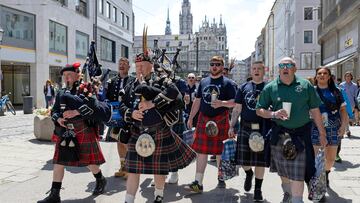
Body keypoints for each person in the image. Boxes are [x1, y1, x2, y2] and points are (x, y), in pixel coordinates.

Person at [120, 52, 196, 203]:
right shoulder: (131, 84)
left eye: (142, 66)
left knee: (159, 169)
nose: (139, 69)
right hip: (137, 132)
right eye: (137, 66)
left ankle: (158, 196)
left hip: (159, 130)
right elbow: (122, 105)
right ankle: (128, 200)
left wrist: (152, 103)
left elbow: (175, 94)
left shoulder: (161, 81)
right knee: (133, 170)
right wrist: (132, 113)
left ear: (150, 65)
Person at [256, 57, 327, 203]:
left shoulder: (305, 85)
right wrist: (274, 114)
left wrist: (322, 133)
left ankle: (296, 199)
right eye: (282, 65)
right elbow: (259, 110)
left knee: (298, 173)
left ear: (295, 68)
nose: (285, 68)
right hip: (279, 134)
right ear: (279, 69)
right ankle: (287, 194)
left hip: (301, 135)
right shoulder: (270, 87)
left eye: (289, 65)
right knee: (283, 171)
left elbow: (315, 110)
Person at [37, 63, 111, 203]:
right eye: (64, 76)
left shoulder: (86, 88)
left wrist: (75, 112)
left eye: (69, 75)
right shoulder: (61, 92)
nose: (66, 78)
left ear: (78, 75)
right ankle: (55, 195)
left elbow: (93, 107)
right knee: (58, 162)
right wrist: (58, 118)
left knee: (89, 162)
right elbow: (54, 111)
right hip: (65, 131)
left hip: (83, 129)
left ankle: (100, 179)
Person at [186, 55, 236, 192]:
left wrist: (221, 103)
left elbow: (235, 102)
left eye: (218, 64)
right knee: (201, 151)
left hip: (220, 118)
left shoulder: (228, 83)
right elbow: (197, 101)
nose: (214, 66)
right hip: (204, 118)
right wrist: (191, 118)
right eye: (212, 64)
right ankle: (198, 182)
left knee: (220, 151)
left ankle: (221, 177)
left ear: (222, 66)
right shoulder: (203, 82)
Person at [228, 61, 270, 201]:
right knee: (243, 159)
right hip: (245, 126)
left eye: (259, 69)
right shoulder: (243, 87)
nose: (256, 71)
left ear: (264, 71)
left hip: (262, 127)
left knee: (260, 161)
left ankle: (258, 189)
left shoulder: (269, 88)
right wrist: (232, 126)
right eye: (254, 68)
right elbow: (237, 108)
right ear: (250, 71)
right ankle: (249, 173)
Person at [311, 67, 348, 192]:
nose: (322, 75)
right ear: (316, 76)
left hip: (333, 127)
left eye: (325, 73)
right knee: (318, 158)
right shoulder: (311, 91)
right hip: (315, 127)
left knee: (331, 159)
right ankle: (319, 184)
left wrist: (343, 126)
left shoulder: (336, 91)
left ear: (329, 76)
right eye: (319, 73)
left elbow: (343, 111)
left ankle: (326, 173)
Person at [105, 57, 135, 178]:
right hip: (115, 115)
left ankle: (130, 167)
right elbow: (106, 97)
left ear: (128, 67)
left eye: (124, 64)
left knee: (126, 140)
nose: (121, 66)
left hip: (127, 115)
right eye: (120, 64)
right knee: (118, 140)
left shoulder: (133, 80)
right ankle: (123, 167)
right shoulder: (111, 81)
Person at [339, 72, 357, 136]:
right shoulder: (341, 85)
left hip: (351, 103)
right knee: (345, 116)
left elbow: (356, 96)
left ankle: (348, 125)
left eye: (349, 76)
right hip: (343, 103)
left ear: (351, 77)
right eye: (346, 76)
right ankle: (347, 130)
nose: (348, 77)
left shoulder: (354, 85)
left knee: (348, 117)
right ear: (345, 77)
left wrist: (356, 105)